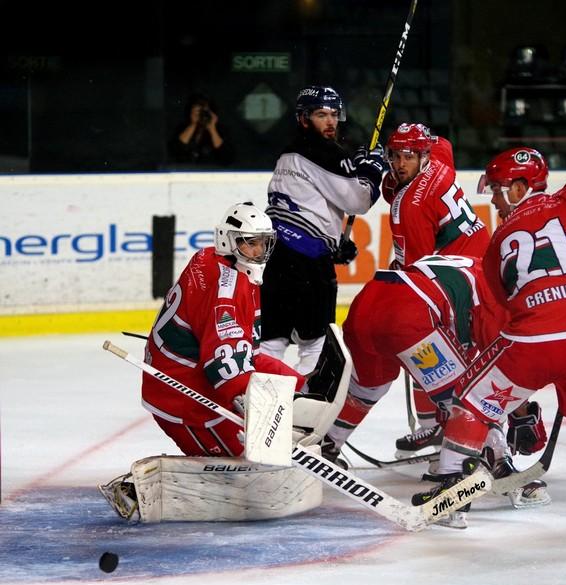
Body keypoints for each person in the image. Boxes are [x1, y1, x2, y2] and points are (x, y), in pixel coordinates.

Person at [415, 138, 566, 525]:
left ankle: (449, 489)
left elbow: (502, 299)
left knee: (473, 400)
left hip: (536, 341)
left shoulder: (500, 239)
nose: (495, 201)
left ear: (519, 187)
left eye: (498, 191)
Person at [321, 254, 549, 526]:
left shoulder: (477, 267)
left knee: (366, 389)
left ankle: (324, 447)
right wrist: (522, 414)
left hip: (367, 303)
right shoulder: (499, 296)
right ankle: (496, 471)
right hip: (410, 314)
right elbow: (495, 377)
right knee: (470, 400)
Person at [141, 202, 304, 457]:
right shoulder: (226, 290)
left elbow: (244, 354)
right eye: (250, 243)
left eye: (263, 243)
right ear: (227, 240)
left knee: (298, 391)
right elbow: (227, 368)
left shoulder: (210, 258)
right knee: (258, 456)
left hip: (186, 373)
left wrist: (299, 388)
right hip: (184, 396)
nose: (259, 251)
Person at [382, 123, 492, 457]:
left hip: (459, 282)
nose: (400, 164)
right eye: (395, 156)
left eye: (408, 156)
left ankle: (465, 433)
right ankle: (446, 427)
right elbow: (442, 142)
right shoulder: (439, 158)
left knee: (424, 347)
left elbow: (416, 272)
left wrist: (397, 274)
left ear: (422, 156)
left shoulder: (409, 208)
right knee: (471, 355)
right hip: (482, 265)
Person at [261, 85, 385, 375]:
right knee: (315, 344)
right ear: (304, 119)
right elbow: (358, 200)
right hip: (307, 264)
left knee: (271, 341)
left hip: (275, 258)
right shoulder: (325, 152)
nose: (330, 121)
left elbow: (304, 206)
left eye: (334, 114)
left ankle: (258, 397)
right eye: (321, 115)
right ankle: (304, 401)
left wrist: (333, 244)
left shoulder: (288, 153)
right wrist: (371, 169)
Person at [169, 93, 235, 167]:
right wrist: (193, 124)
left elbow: (227, 158)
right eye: (198, 111)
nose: (202, 115)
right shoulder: (182, 128)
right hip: (185, 171)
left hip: (211, 171)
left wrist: (212, 129)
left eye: (205, 112)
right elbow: (175, 152)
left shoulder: (221, 130)